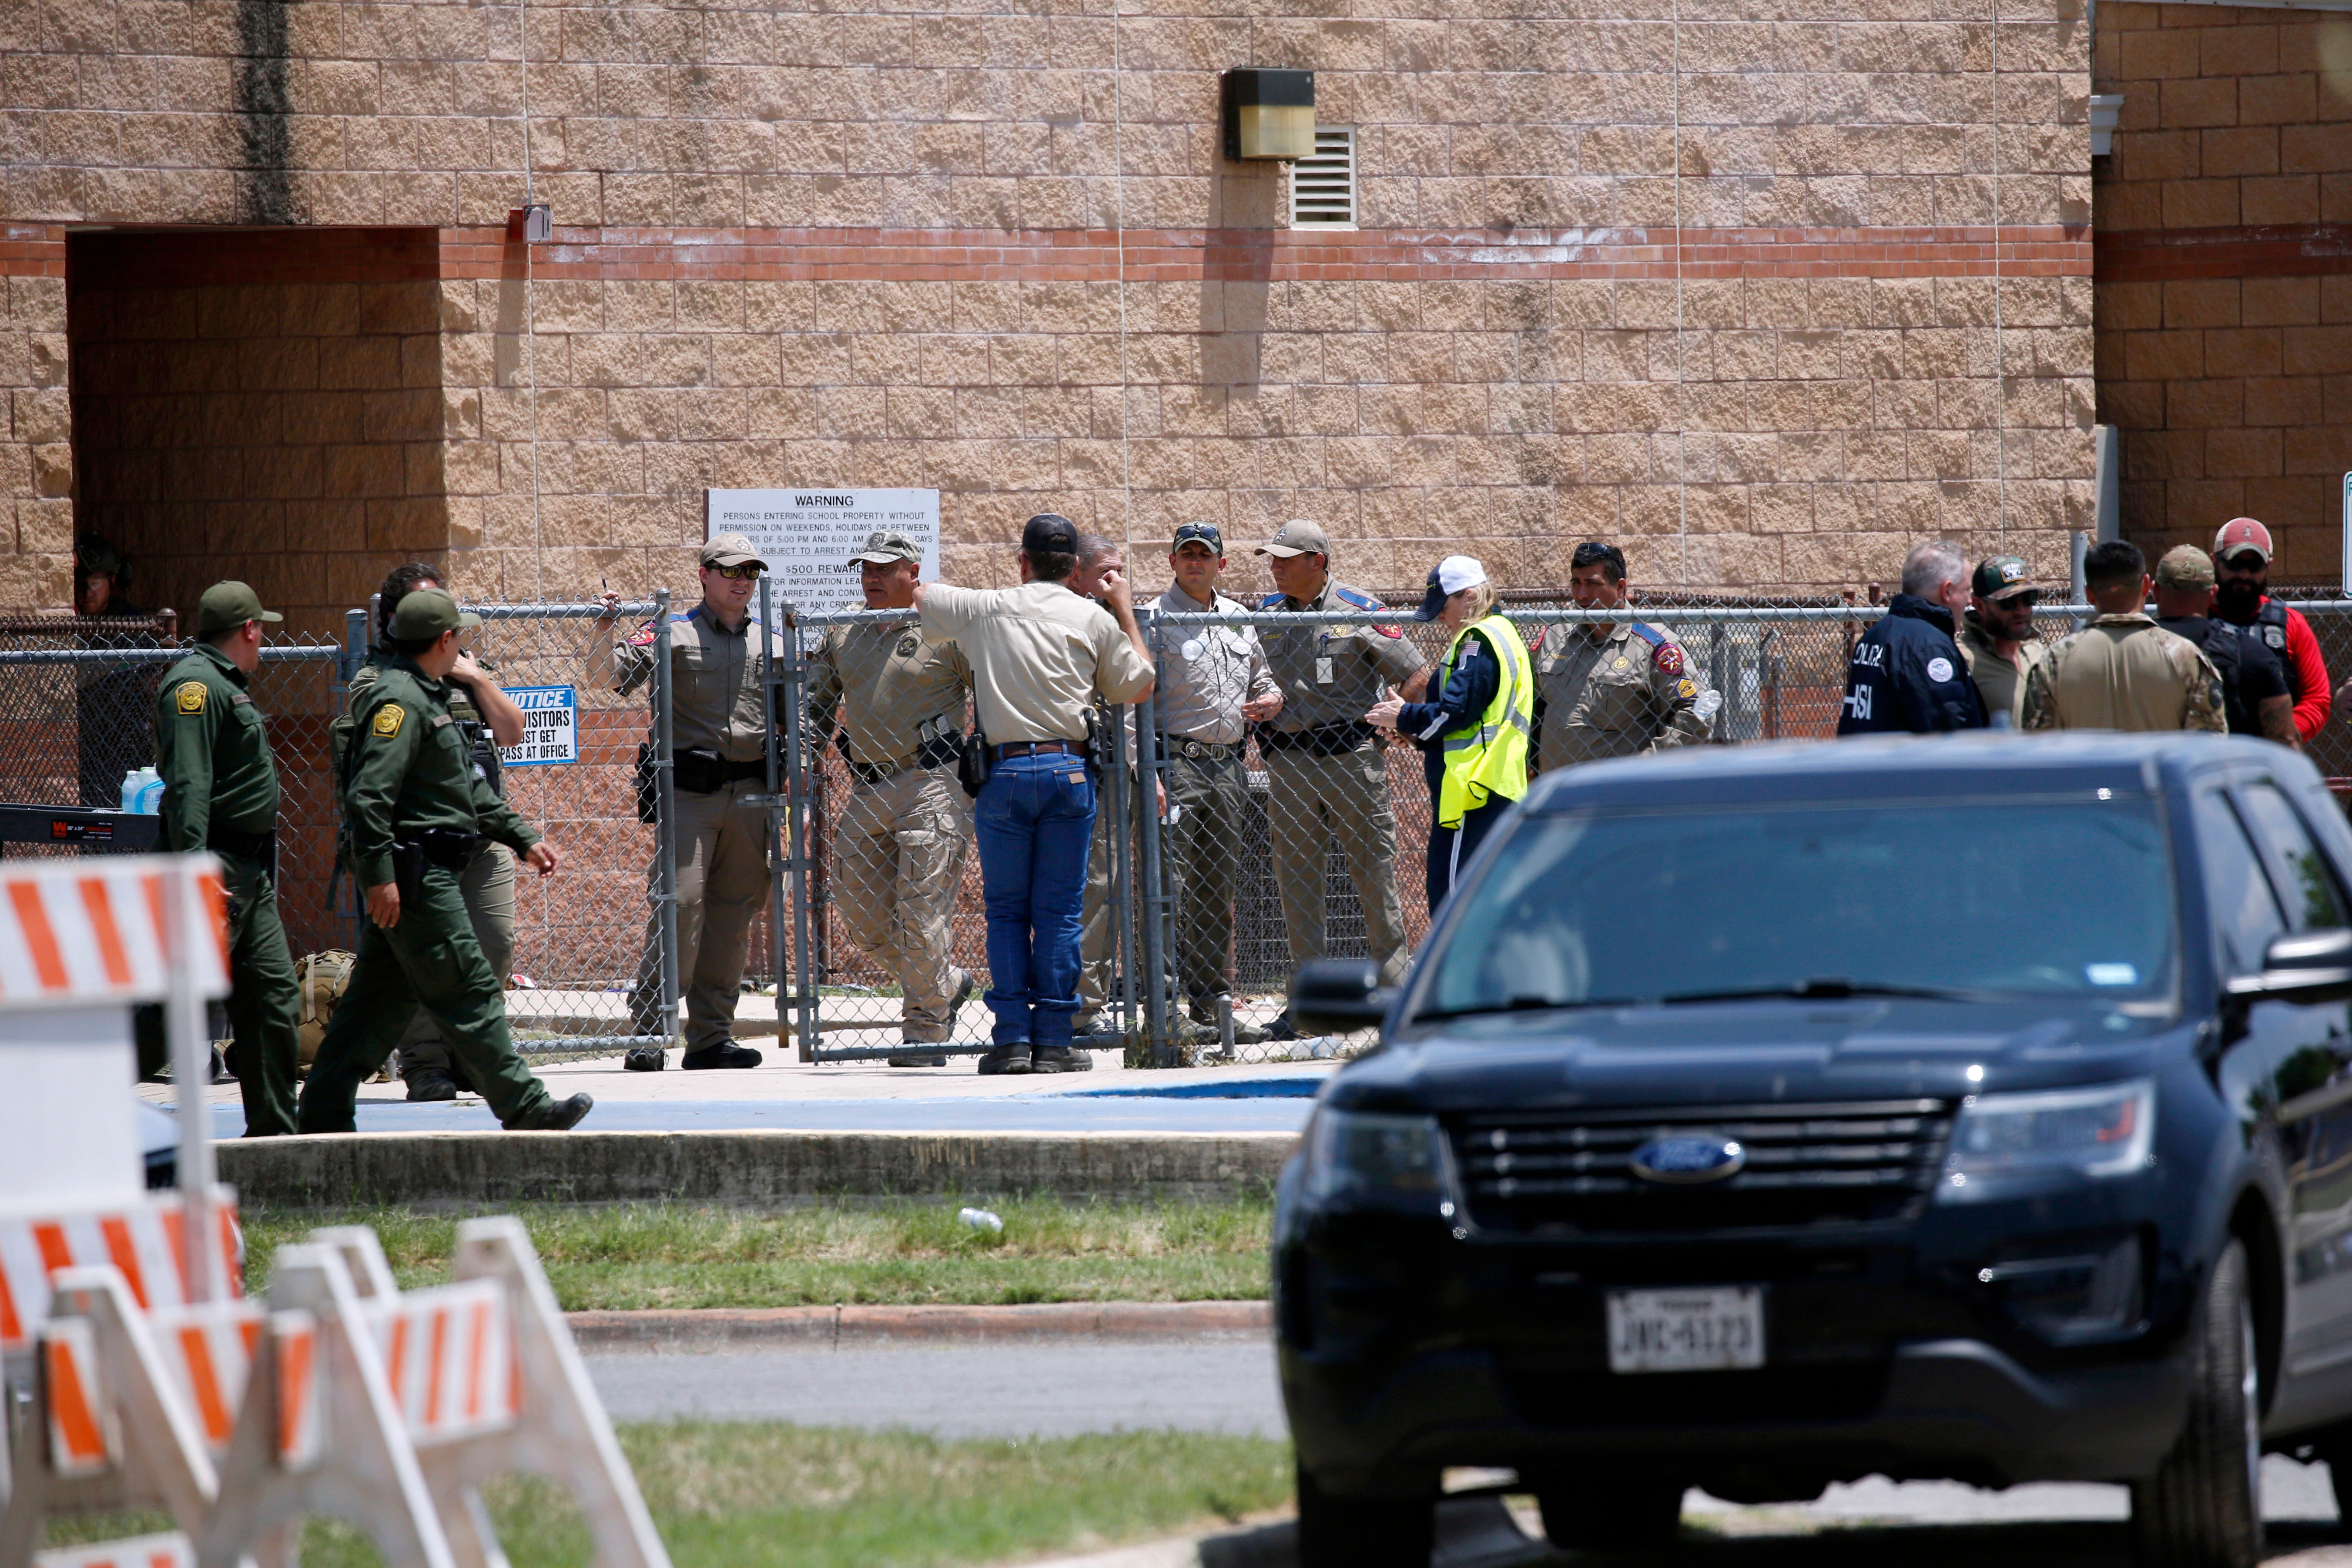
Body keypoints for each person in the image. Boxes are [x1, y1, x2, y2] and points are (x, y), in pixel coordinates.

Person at [297, 589, 591, 1133]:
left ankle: (322, 1109)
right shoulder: (398, 702)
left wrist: (522, 838)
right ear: (444, 640)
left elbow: (466, 791)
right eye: (459, 633)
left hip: (428, 869)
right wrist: (382, 879)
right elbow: (368, 797)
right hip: (416, 876)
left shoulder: (426, 695)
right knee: (470, 987)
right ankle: (525, 1107)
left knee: (375, 1006)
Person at [911, 513, 1154, 1075]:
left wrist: (908, 575)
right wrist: (1121, 607)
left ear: (1021, 561)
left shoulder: (987, 607)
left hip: (1006, 775)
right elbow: (1140, 685)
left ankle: (1013, 1041)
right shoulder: (1090, 617)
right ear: (1073, 568)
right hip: (1069, 775)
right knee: (1062, 915)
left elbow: (916, 593)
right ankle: (1053, 1042)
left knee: (1005, 915)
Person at [590, 536, 783, 1072]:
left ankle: (710, 1038)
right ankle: (651, 1032)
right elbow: (609, 679)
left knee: (733, 915)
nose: (741, 580)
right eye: (729, 571)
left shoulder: (773, 642)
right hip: (690, 796)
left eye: (750, 571)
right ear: (704, 574)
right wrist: (604, 630)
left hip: (751, 796)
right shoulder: (670, 631)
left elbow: (795, 714)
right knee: (680, 904)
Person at [340, 563, 529, 1102]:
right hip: (420, 848)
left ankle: (472, 1055)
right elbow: (374, 783)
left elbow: (512, 732)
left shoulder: (468, 670)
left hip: (480, 839)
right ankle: (426, 1063)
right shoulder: (381, 684)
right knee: (424, 959)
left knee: (492, 947)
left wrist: (474, 678)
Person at [807, 528, 978, 1069]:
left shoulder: (945, 628)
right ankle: (943, 984)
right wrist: (799, 761)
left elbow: (992, 690)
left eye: (884, 569)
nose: (872, 577)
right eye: (866, 569)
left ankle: (925, 1033)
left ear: (913, 573)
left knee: (920, 913)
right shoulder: (845, 629)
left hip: (934, 782)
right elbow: (816, 703)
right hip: (870, 785)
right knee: (860, 914)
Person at [1254, 520, 1427, 1037]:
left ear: (1319, 562)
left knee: (1374, 878)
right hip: (1287, 764)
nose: (1276, 566)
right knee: (1297, 884)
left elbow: (1417, 672)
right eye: (1273, 558)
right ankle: (1309, 1007)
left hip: (1351, 759)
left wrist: (1403, 724)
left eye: (1287, 557)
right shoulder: (1265, 616)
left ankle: (1397, 997)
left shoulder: (1359, 611)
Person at [153, 582, 301, 1136]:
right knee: (164, 1011)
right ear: (248, 629)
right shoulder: (195, 686)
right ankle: (80, 1103)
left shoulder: (222, 683)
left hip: (248, 875)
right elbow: (190, 787)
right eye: (263, 628)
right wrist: (195, 876)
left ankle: (275, 1135)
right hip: (214, 869)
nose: (264, 638)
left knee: (273, 998)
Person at [1148, 522, 1283, 1048]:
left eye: (1205, 555)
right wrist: (1152, 772)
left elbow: (1263, 679)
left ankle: (1210, 1005)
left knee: (1215, 888)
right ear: (1173, 561)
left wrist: (1271, 700)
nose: (1196, 563)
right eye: (1187, 555)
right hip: (1176, 765)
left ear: (1222, 565)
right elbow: (1137, 696)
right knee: (1168, 887)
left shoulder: (1239, 618)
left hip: (1229, 767)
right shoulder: (1156, 619)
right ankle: (1162, 1006)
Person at [1367, 556, 1532, 912]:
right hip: (1488, 789)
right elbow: (1471, 721)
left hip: (1474, 794)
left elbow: (1456, 712)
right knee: (1478, 908)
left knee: (1453, 909)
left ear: (1469, 597)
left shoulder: (1479, 639)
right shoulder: (1500, 633)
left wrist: (1404, 715)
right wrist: (1414, 735)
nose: (1440, 616)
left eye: (1443, 606)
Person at [1530, 541, 1714, 770]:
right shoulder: (1556, 636)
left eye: (1592, 584)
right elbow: (1536, 706)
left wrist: (1645, 768)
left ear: (1620, 588)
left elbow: (1697, 714)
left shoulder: (1653, 646)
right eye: (1576, 583)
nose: (1582, 595)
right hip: (1556, 791)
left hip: (1617, 795)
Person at [2021, 540, 2226, 734]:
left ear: (2090, 594)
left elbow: (2037, 748)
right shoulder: (2186, 658)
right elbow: (2208, 746)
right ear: (2147, 586)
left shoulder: (2054, 662)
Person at [1070, 533, 1142, 1045]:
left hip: (1120, 769)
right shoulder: (1076, 618)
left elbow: (1141, 698)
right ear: (1077, 573)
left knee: (1108, 888)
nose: (1117, 582)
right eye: (1106, 573)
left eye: (1122, 572)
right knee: (1090, 890)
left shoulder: (1118, 620)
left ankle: (1086, 1001)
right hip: (1075, 769)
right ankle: (1079, 1005)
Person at [1835, 540, 1988, 735]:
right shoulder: (1928, 647)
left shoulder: (1874, 637)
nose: (1969, 600)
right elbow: (1948, 734)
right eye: (1966, 590)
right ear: (1947, 591)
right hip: (1906, 764)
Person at [2152, 545, 2295, 745]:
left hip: (2151, 773)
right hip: (2231, 771)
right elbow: (2285, 739)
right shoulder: (2255, 654)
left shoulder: (2132, 651)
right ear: (2213, 593)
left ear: (2155, 591)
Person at [2212, 517, 2332, 742]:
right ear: (2215, 562)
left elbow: (2317, 698)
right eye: (2235, 564)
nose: (2245, 575)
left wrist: (2283, 734)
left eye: (2255, 566)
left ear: (2269, 566)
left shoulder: (2291, 625)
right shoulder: (2198, 620)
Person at [74, 532, 158, 810]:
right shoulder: (74, 624)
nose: (87, 593)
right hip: (86, 738)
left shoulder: (128, 622)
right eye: (81, 584)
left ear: (112, 581)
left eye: (95, 583)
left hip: (122, 738)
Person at [1956, 555, 2045, 727]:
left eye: (2028, 599)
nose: (2021, 611)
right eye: (2009, 603)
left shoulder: (2037, 652)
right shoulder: (1963, 660)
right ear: (1980, 606)